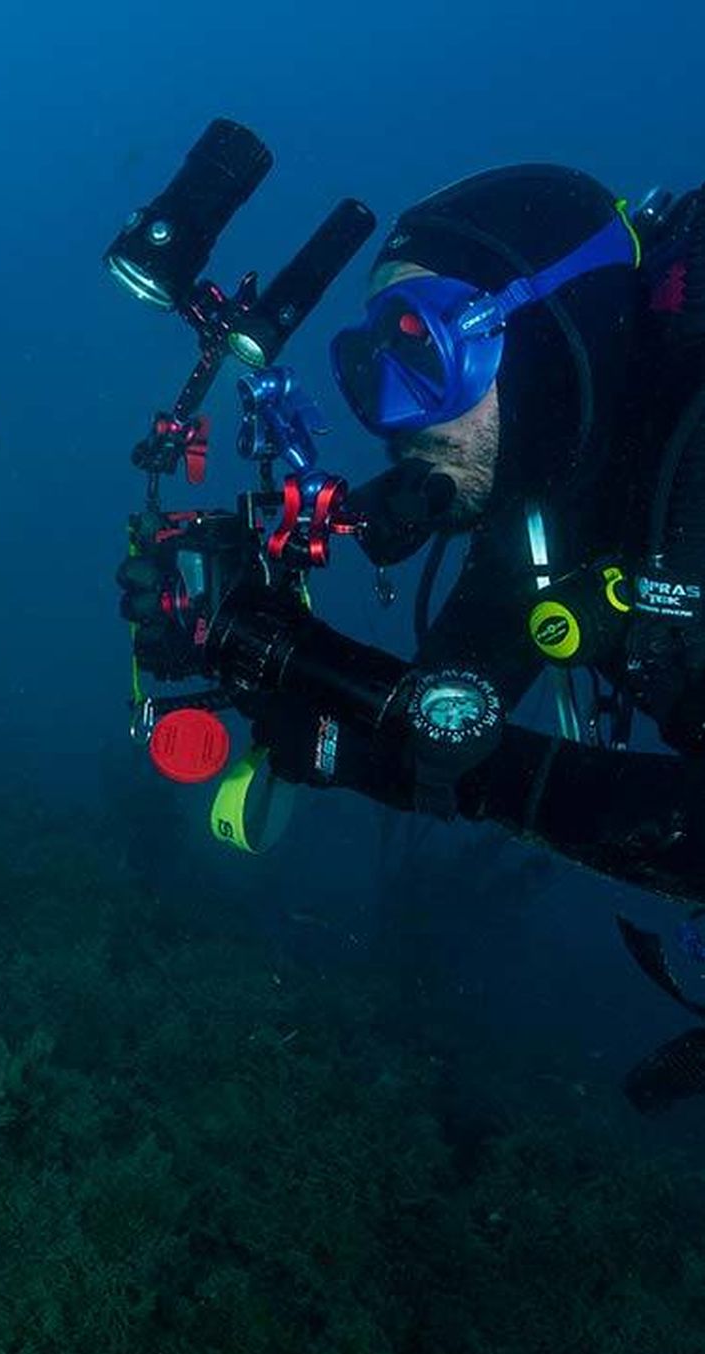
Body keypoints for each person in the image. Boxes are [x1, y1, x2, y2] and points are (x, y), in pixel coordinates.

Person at [231, 164, 705, 902]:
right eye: (372, 366)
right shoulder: (559, 481)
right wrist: (293, 665)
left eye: (424, 348)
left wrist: (475, 779)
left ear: (553, 333)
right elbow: (463, 679)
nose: (396, 417)